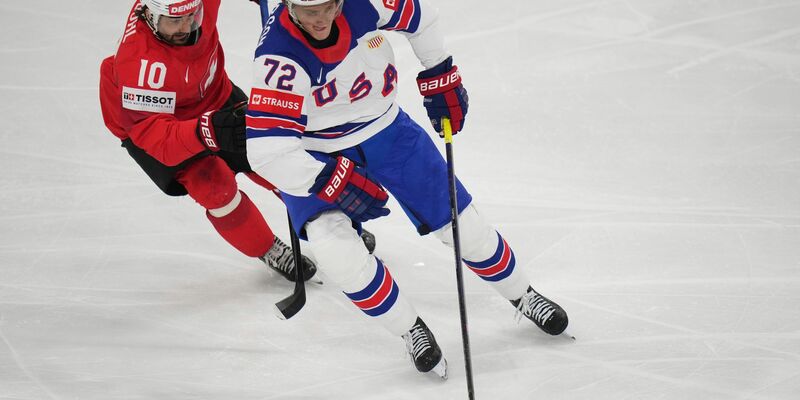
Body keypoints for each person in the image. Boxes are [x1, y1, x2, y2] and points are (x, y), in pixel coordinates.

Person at [245, 0, 570, 378]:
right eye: (307, 11)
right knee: (338, 254)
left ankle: (523, 294)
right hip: (315, 153)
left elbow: (422, 17)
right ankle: (409, 328)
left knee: (463, 224)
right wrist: (330, 179)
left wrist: (440, 72)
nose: (319, 19)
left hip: (388, 131)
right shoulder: (276, 58)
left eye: (327, 6)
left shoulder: (365, 4)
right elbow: (267, 151)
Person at [98, 0, 326, 282]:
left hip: (214, 96)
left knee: (273, 154)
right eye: (174, 21)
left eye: (192, 16)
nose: (186, 27)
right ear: (149, 15)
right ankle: (268, 248)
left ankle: (327, 225)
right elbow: (159, 140)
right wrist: (206, 130)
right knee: (215, 189)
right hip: (156, 125)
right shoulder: (138, 65)